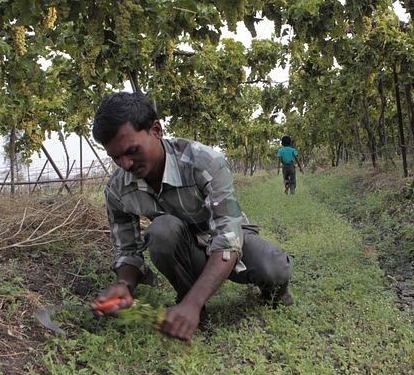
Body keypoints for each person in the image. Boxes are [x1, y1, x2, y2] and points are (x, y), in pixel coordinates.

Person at [90, 92, 294, 342]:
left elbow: (228, 240)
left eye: (132, 150)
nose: (126, 164)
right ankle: (189, 305)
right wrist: (124, 285)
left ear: (156, 130)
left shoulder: (204, 161)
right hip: (188, 251)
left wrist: (193, 303)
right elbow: (127, 250)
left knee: (273, 267)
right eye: (115, 157)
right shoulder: (117, 189)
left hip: (227, 244)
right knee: (162, 230)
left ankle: (270, 293)